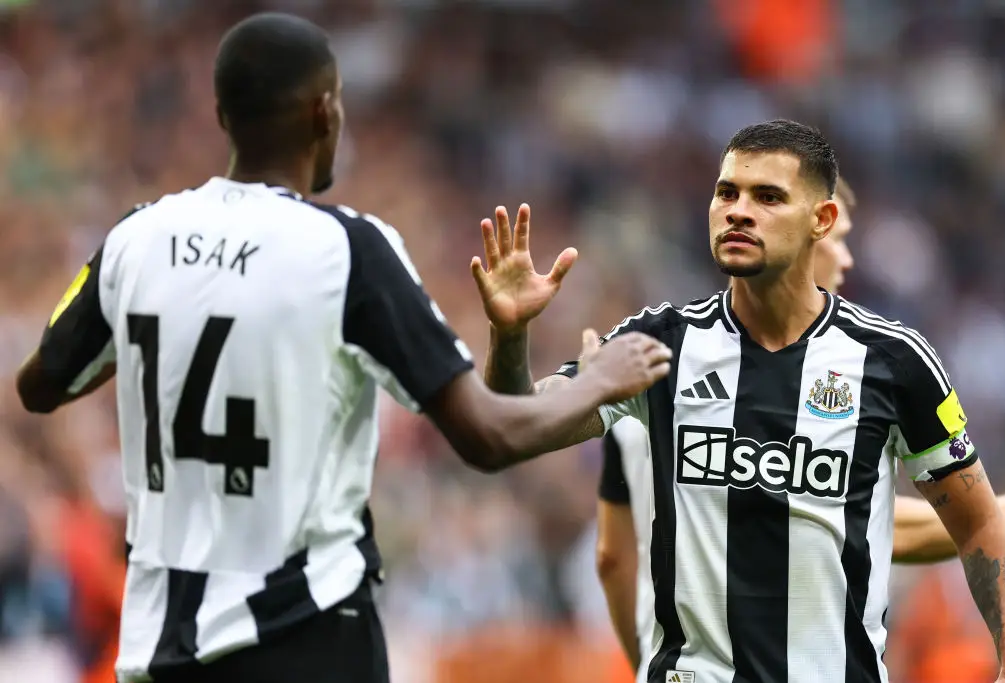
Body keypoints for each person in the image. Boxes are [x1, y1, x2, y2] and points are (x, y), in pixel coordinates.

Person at [13, 12, 672, 683]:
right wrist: (599, 378)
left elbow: (40, 384)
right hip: (310, 646)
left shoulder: (136, 239)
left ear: (220, 113)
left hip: (162, 654)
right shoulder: (347, 250)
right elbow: (489, 438)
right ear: (326, 112)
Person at [471, 119, 1005, 682]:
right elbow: (513, 428)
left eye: (768, 197)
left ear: (821, 221)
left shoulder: (892, 361)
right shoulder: (659, 344)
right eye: (726, 192)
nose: (738, 210)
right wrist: (510, 335)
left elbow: (976, 524)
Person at [593, 176, 1005, 674]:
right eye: (841, 242)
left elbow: (825, 518)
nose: (845, 261)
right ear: (810, 235)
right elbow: (817, 522)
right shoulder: (679, 365)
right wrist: (998, 513)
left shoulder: (658, 364)